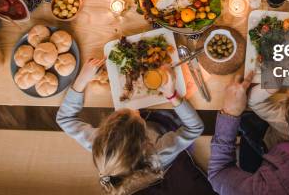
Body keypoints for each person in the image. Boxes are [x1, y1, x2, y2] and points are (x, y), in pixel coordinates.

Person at [57, 58, 211, 194]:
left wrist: (82, 80)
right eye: (137, 116)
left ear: (105, 130)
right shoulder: (160, 153)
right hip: (167, 168)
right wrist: (171, 94)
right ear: (147, 141)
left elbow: (64, 118)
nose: (135, 109)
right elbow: (195, 128)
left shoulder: (100, 145)